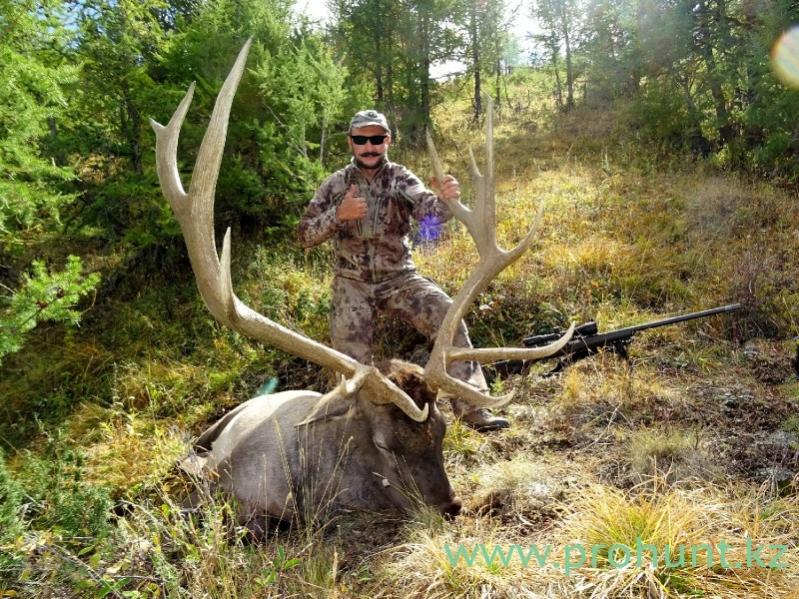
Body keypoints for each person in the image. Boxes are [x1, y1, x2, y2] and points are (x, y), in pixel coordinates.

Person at [297, 109, 509, 432]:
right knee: (348, 360)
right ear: (350, 142)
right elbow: (304, 235)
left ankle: (472, 409)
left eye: (377, 139)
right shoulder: (335, 184)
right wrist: (338, 215)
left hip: (399, 278)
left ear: (388, 141)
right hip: (352, 282)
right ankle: (357, 424)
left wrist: (446, 200)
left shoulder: (401, 178)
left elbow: (430, 214)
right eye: (361, 139)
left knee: (448, 317)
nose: (369, 146)